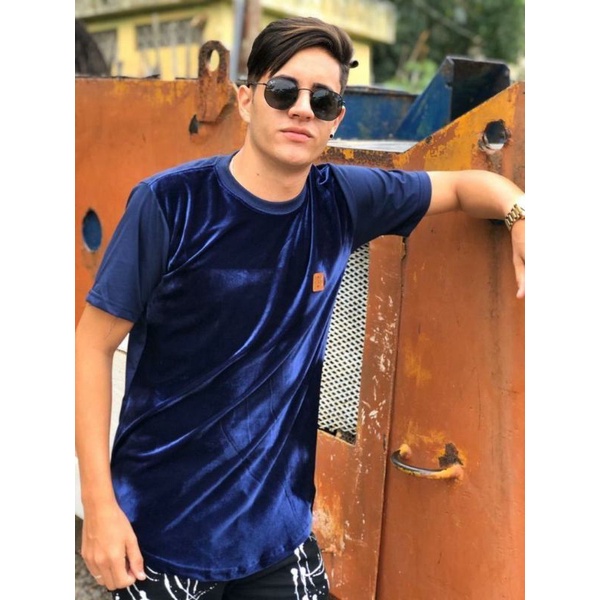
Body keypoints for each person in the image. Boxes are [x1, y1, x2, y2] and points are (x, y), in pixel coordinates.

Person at [75, 15, 525, 600]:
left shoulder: (342, 199)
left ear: (337, 118)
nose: (302, 110)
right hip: (160, 541)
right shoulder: (170, 204)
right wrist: (99, 507)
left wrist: (520, 213)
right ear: (246, 100)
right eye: (283, 91)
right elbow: (92, 346)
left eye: (323, 99)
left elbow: (465, 187)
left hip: (277, 542)